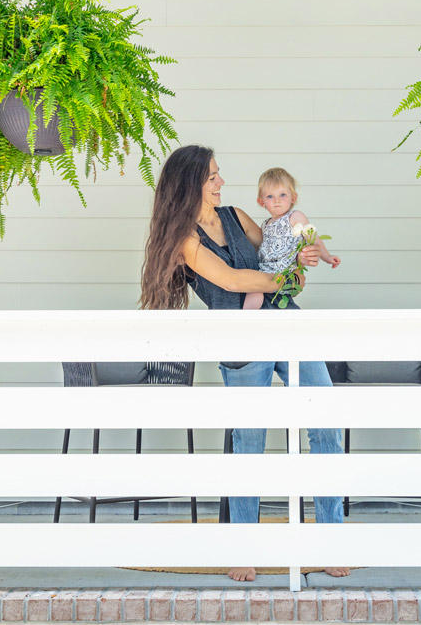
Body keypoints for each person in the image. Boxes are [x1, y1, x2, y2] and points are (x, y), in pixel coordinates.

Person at [140, 145, 349, 582]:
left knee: (326, 418)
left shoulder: (237, 216)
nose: (220, 182)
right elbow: (232, 280)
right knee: (249, 439)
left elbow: (280, 249)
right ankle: (243, 549)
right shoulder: (185, 239)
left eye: (218, 175)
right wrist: (285, 279)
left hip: (288, 325)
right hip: (241, 341)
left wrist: (304, 257)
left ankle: (332, 541)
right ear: (189, 183)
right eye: (212, 176)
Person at [243, 166, 340, 310]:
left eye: (282, 195)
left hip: (284, 272)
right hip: (264, 271)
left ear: (293, 197)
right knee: (254, 294)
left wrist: (327, 256)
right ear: (261, 201)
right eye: (270, 196)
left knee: (283, 303)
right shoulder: (265, 225)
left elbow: (312, 237)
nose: (277, 200)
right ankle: (243, 321)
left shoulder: (295, 217)